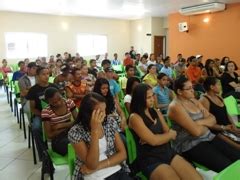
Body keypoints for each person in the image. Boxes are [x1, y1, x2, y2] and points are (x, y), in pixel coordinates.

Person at [129, 83, 202, 180]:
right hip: (150, 159)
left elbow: (170, 133)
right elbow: (155, 141)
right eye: (148, 97)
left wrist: (156, 137)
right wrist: (161, 137)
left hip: (168, 152)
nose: (152, 99)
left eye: (152, 96)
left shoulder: (156, 112)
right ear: (139, 99)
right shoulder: (135, 117)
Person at [168, 76, 240, 172]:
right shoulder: (175, 107)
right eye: (188, 89)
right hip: (190, 144)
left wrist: (198, 122)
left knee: (237, 156)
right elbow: (196, 132)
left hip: (208, 136)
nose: (192, 90)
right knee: (228, 166)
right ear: (179, 91)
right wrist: (205, 122)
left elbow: (213, 119)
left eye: (192, 87)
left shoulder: (193, 100)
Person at [68, 92, 131, 180]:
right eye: (100, 112)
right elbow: (91, 164)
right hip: (92, 176)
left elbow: (123, 154)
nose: (105, 114)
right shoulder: (75, 131)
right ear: (88, 114)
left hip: (114, 170)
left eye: (105, 110)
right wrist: (94, 131)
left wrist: (99, 166)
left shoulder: (109, 121)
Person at [26, 66, 58, 161]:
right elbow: (33, 109)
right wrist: (44, 116)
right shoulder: (33, 90)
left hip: (55, 113)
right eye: (43, 74)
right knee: (36, 128)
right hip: (40, 114)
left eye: (48, 74)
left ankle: (60, 147)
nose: (46, 76)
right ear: (38, 76)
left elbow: (60, 103)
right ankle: (43, 154)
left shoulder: (53, 87)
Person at [200, 77, 240, 149]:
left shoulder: (219, 96)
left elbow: (227, 113)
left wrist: (234, 126)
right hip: (218, 132)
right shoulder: (204, 100)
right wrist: (224, 128)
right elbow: (207, 123)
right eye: (218, 85)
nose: (221, 87)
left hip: (228, 127)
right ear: (212, 87)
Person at [41, 87, 78, 156]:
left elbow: (78, 121)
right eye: (54, 102)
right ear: (48, 101)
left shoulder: (69, 103)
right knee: (70, 144)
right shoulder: (46, 111)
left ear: (61, 95)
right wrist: (68, 126)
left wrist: (60, 126)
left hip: (71, 132)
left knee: (82, 140)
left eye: (59, 99)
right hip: (58, 138)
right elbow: (49, 135)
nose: (59, 103)